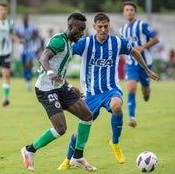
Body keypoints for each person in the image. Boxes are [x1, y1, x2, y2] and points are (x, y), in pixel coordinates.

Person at [57, 12, 159, 170]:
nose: (103, 30)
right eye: (100, 27)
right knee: (79, 132)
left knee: (117, 105)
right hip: (91, 94)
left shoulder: (117, 42)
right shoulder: (85, 43)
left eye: (106, 26)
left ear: (109, 26)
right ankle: (68, 158)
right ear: (94, 27)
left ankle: (115, 142)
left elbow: (134, 51)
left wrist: (146, 70)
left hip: (111, 89)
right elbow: (66, 53)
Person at [20, 12, 97, 172]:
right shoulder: (58, 40)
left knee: (87, 116)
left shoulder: (69, 44)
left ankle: (77, 156)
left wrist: (69, 86)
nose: (82, 33)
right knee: (61, 128)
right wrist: (49, 73)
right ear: (70, 27)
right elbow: (43, 58)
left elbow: (59, 71)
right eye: (80, 29)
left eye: (84, 29)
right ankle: (29, 150)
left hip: (59, 86)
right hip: (46, 89)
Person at [120, 1, 159, 128]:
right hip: (131, 64)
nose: (129, 12)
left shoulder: (142, 25)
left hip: (145, 64)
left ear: (134, 12)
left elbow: (155, 39)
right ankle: (132, 118)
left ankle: (147, 92)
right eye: (126, 10)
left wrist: (142, 47)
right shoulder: (122, 30)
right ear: (123, 13)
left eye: (131, 9)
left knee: (145, 91)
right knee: (131, 88)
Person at [14, 14, 38, 91]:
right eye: (23, 19)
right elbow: (15, 35)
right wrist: (19, 40)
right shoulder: (18, 27)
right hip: (21, 49)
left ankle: (29, 80)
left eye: (26, 19)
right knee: (25, 66)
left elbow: (36, 35)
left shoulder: (32, 27)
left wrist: (31, 38)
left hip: (30, 48)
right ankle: (27, 81)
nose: (24, 21)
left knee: (28, 63)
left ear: (27, 20)